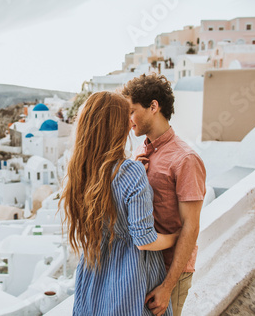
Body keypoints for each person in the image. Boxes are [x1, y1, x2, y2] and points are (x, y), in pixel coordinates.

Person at [61, 91, 179, 315]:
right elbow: (144, 240)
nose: (131, 122)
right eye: (126, 116)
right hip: (129, 279)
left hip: (94, 276)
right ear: (116, 125)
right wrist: (176, 237)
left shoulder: (80, 172)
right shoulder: (131, 172)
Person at [121, 73, 206, 316]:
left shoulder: (185, 159)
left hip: (171, 272)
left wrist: (168, 286)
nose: (129, 120)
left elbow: (191, 226)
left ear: (154, 106)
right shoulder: (140, 150)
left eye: (132, 111)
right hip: (144, 268)